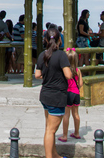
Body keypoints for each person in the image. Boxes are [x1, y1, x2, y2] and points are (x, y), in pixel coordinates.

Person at [34, 26, 72, 158]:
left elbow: (37, 75)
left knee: (49, 127)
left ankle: (54, 154)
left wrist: (48, 75)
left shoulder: (42, 55)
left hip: (45, 94)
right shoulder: (61, 55)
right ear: (59, 40)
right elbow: (68, 75)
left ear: (45, 40)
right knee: (51, 130)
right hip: (57, 96)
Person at [58, 47, 82, 142]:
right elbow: (80, 83)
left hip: (68, 93)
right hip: (76, 93)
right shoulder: (78, 70)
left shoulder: (65, 71)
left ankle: (64, 135)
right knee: (76, 114)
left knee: (66, 115)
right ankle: (77, 133)